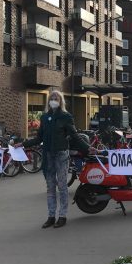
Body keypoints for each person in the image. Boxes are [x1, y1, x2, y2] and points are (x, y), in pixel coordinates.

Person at [19, 91, 95, 229]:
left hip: (61, 155)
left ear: (61, 101)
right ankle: (51, 216)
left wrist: (88, 148)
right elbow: (39, 138)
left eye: (56, 98)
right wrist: (23, 144)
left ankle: (62, 216)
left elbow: (75, 136)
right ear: (48, 101)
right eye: (51, 98)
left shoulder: (66, 117)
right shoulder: (44, 117)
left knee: (62, 186)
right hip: (48, 156)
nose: (53, 100)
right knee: (50, 187)